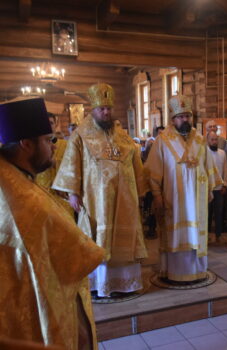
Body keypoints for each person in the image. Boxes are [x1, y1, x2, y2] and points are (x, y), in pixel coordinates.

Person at [0, 97, 104, 350]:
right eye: (48, 140)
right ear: (26, 144)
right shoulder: (26, 202)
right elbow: (82, 256)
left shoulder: (11, 178)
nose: (53, 147)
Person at [53, 83, 148, 298]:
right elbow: (71, 164)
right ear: (93, 110)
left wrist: (141, 190)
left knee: (125, 239)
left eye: (109, 108)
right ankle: (101, 285)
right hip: (97, 200)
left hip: (125, 199)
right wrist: (73, 193)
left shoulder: (122, 136)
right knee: (98, 239)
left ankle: (126, 284)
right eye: (101, 109)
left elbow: (135, 162)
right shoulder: (80, 135)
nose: (106, 112)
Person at [145, 95, 221, 283]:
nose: (185, 120)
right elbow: (153, 171)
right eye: (180, 116)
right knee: (175, 234)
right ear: (172, 119)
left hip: (197, 199)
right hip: (174, 199)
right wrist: (156, 195)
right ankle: (174, 272)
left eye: (187, 116)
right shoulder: (163, 141)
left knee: (196, 233)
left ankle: (197, 271)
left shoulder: (200, 139)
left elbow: (207, 164)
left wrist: (210, 189)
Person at [35, 113, 72, 215]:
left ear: (55, 125)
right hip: (41, 195)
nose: (48, 126)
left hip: (62, 197)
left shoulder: (66, 145)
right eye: (45, 123)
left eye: (51, 123)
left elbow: (74, 168)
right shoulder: (36, 146)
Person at [207, 131, 227, 242]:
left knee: (219, 212)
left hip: (219, 188)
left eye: (216, 139)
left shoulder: (222, 153)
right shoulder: (204, 153)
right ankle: (206, 235)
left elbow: (226, 169)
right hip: (208, 188)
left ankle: (218, 235)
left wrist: (225, 184)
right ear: (208, 140)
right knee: (207, 213)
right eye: (212, 139)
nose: (214, 142)